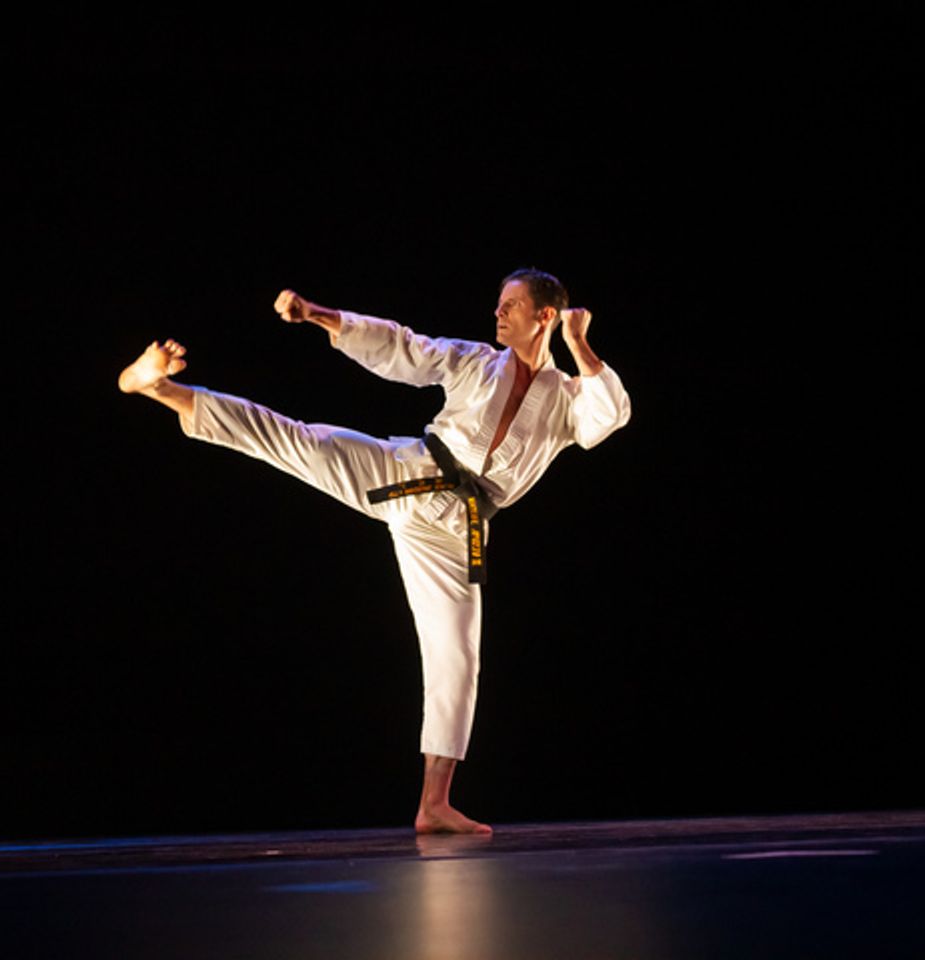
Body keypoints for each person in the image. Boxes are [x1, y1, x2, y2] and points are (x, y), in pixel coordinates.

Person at [117, 268, 631, 834]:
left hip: (457, 530)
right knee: (296, 439)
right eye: (499, 304)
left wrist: (579, 344)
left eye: (511, 305)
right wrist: (320, 316)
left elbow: (609, 418)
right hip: (406, 471)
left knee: (457, 656)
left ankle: (433, 803)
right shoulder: (475, 361)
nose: (498, 313)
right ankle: (158, 387)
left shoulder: (568, 396)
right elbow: (404, 349)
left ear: (546, 316)